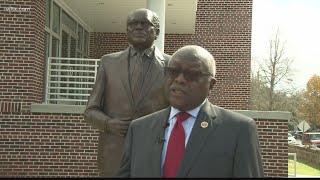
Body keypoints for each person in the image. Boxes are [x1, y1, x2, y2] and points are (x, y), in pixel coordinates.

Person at [116, 45, 264, 178]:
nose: (179, 79)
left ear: (211, 84)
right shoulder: (139, 129)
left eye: (192, 74)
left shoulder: (239, 130)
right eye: (173, 72)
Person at [83, 8, 171, 177]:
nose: (138, 27)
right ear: (127, 31)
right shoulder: (108, 62)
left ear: (157, 31)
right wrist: (108, 123)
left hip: (155, 153)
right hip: (114, 154)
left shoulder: (171, 64)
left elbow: (178, 110)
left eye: (145, 23)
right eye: (133, 24)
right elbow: (90, 111)